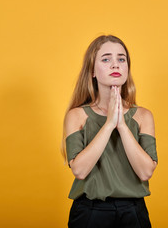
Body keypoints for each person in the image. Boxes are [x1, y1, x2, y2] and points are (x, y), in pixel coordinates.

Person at [62, 35, 158, 228]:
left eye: (121, 59)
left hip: (133, 212)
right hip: (90, 212)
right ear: (92, 71)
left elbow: (145, 171)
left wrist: (121, 125)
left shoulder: (143, 116)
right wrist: (108, 125)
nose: (115, 65)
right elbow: (79, 170)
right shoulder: (77, 116)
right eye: (106, 59)